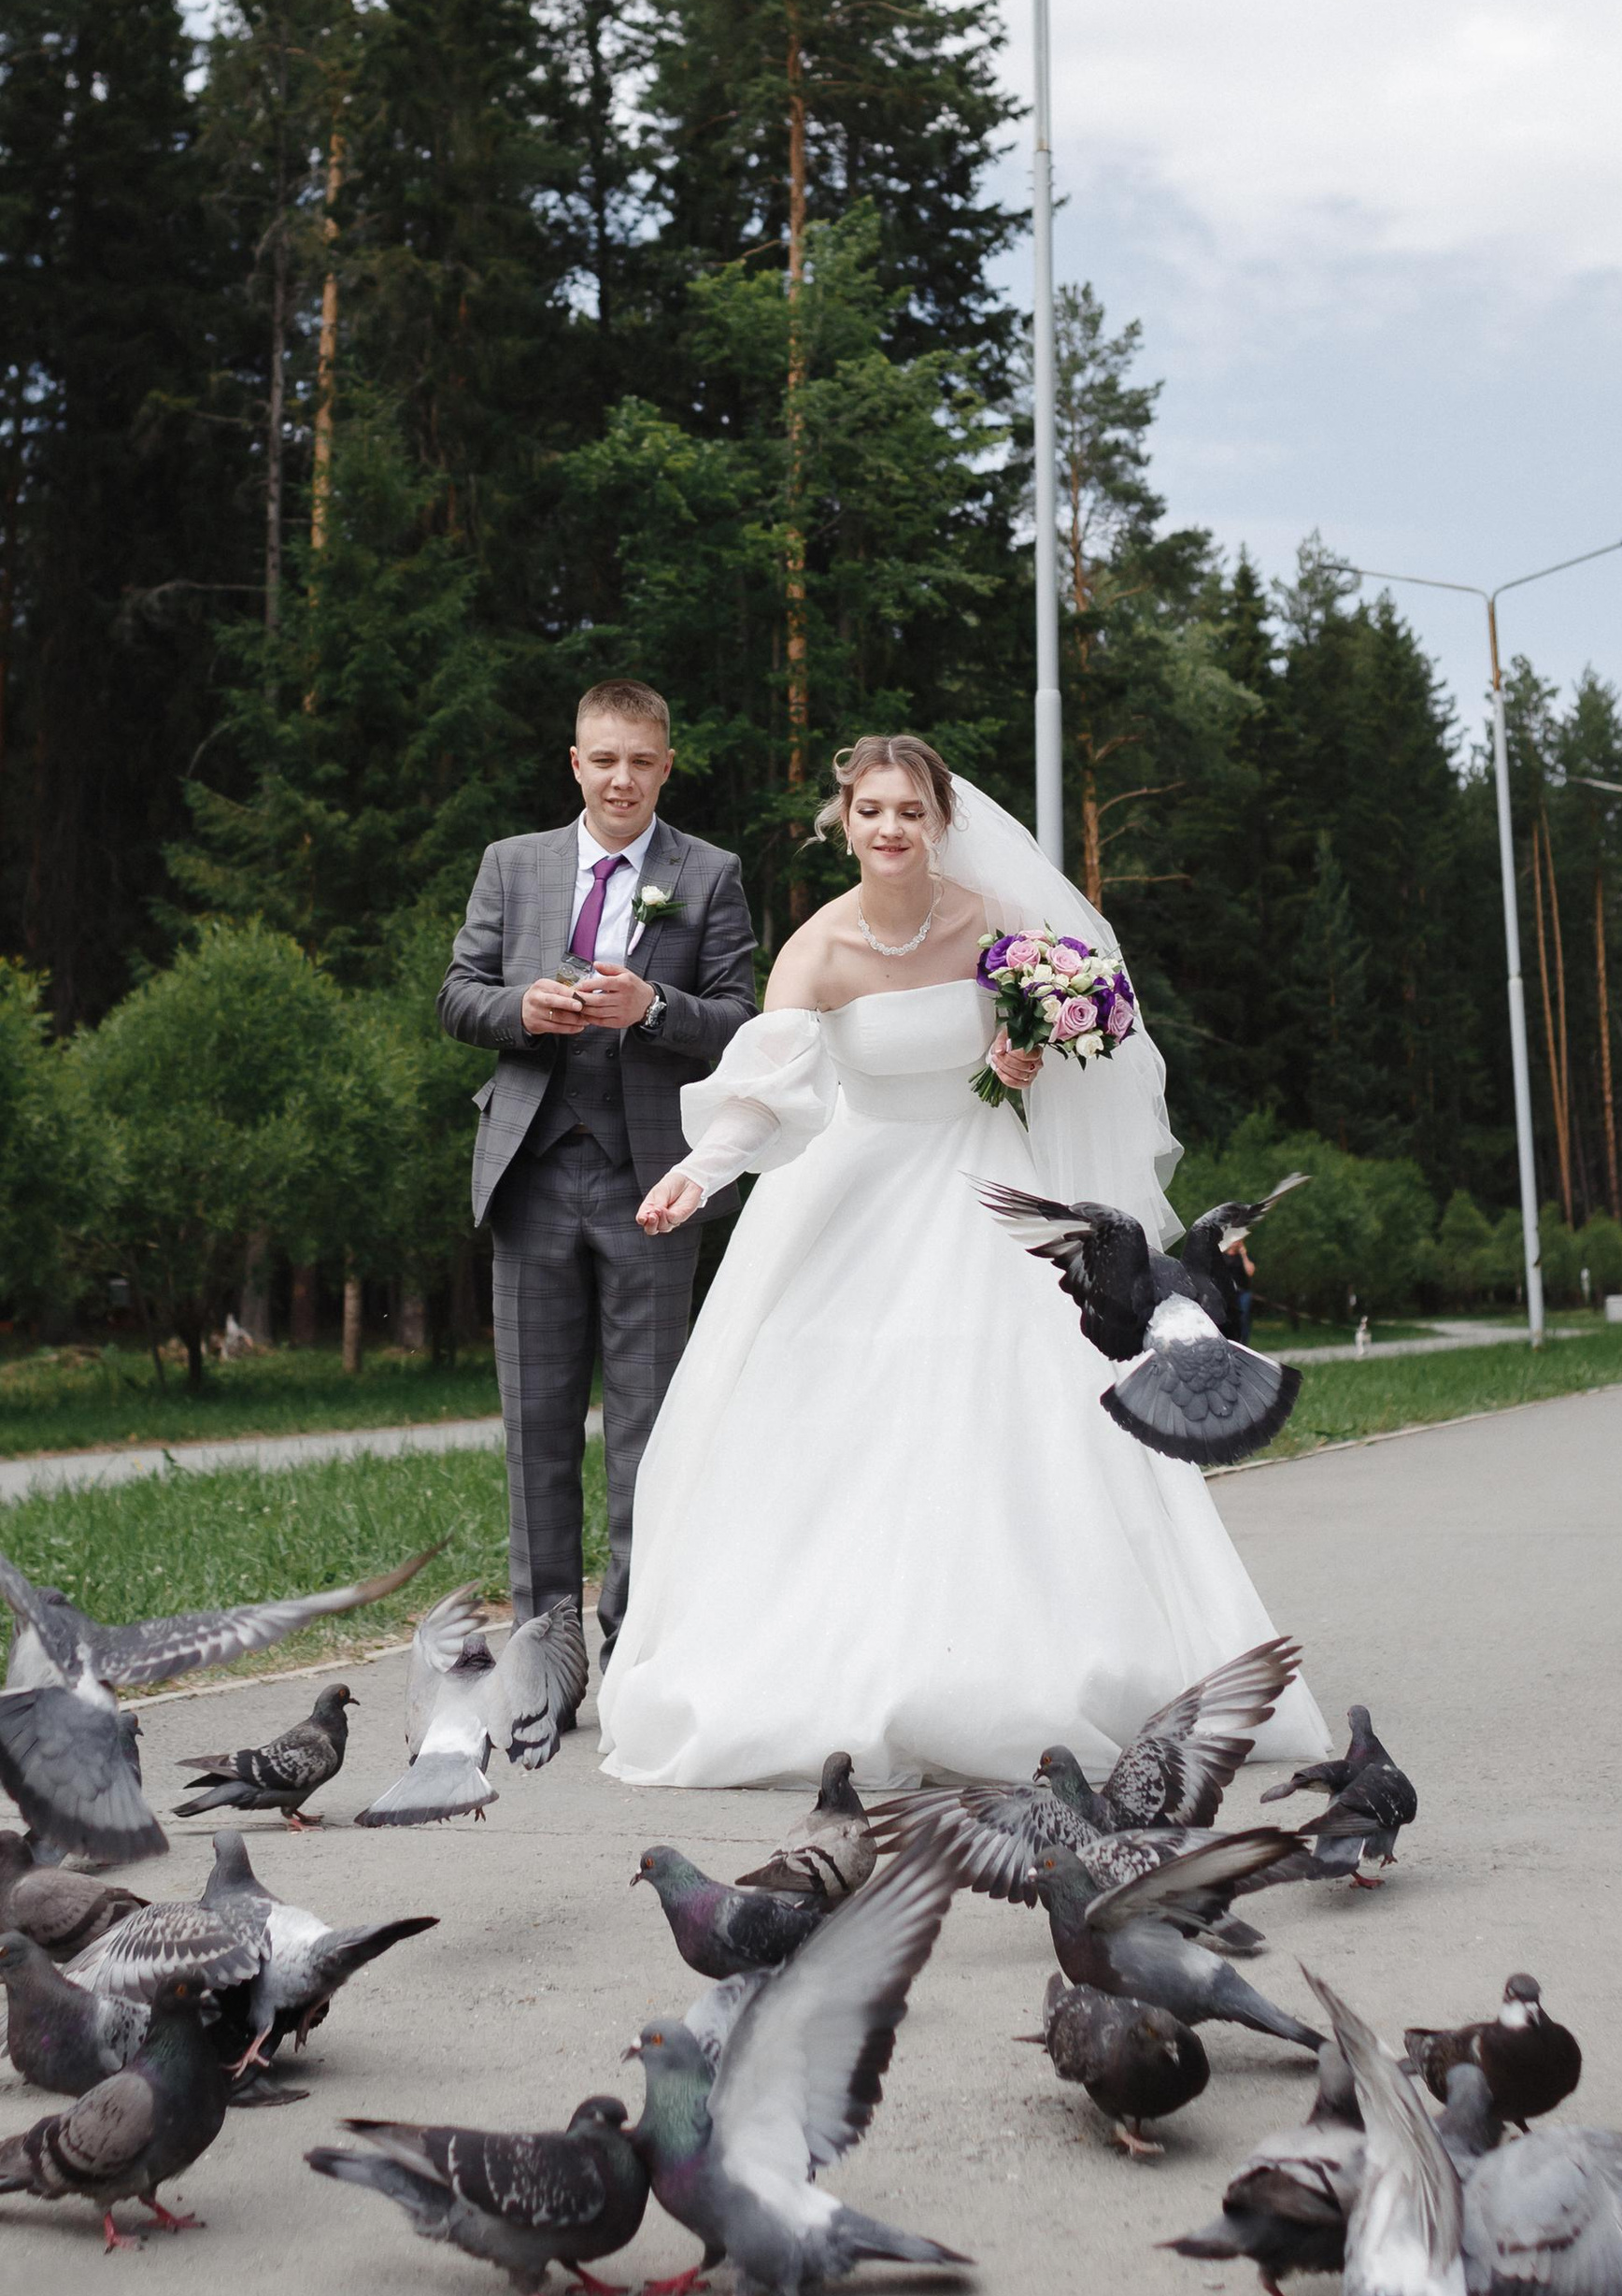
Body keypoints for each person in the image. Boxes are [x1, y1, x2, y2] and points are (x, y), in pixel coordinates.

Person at [597, 733, 1326, 1788]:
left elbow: (1057, 1041)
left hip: (984, 1180)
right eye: (871, 811)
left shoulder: (992, 922)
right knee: (837, 1418)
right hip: (851, 1195)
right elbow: (765, 1094)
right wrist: (696, 1176)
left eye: (909, 811)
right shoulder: (816, 949)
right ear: (841, 823)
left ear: (939, 822)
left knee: (1019, 1409)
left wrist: (1017, 1058)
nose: (890, 829)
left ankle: (1055, 1658)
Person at [439, 679, 757, 1663]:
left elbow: (743, 1022)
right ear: (576, 762)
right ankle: (546, 1645)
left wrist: (652, 1008)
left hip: (651, 1181)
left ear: (667, 765)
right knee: (535, 1425)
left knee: (646, 1427)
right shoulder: (513, 866)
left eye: (641, 760)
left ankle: (636, 1638)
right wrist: (518, 1011)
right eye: (603, 758)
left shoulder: (708, 874)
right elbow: (457, 996)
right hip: (531, 1171)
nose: (622, 777)